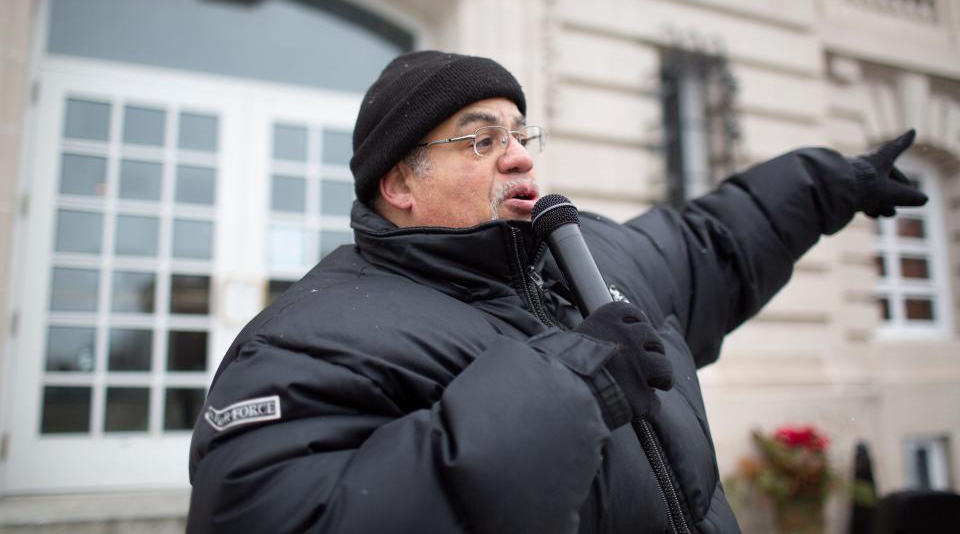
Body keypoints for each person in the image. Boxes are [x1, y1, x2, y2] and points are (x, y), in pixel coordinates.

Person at [186, 51, 927, 533]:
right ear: (398, 183)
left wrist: (825, 183)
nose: (515, 155)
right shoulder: (308, 336)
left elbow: (714, 243)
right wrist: (569, 388)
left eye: (519, 133)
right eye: (480, 140)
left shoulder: (589, 255)